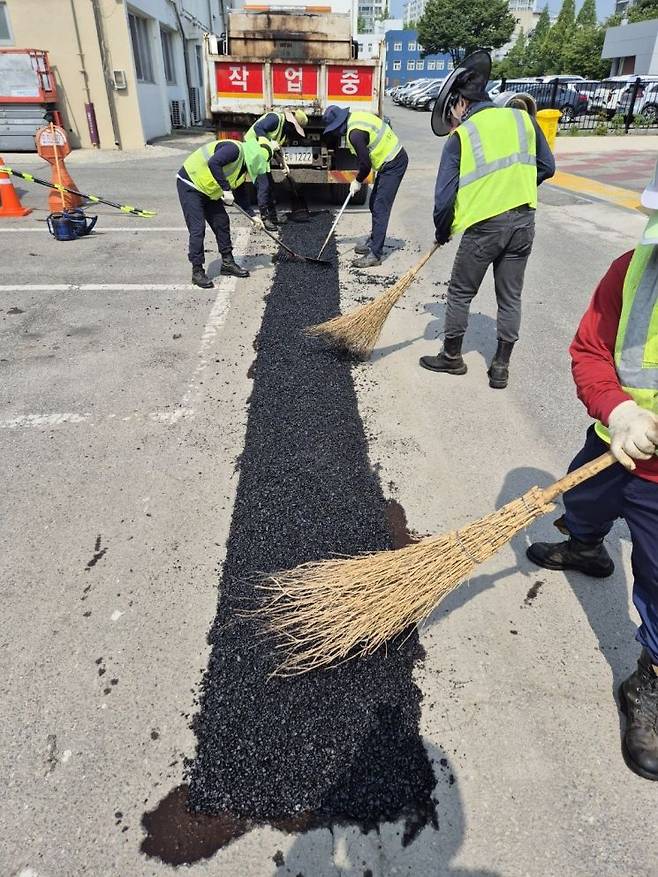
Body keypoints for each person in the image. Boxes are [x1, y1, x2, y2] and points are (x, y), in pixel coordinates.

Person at [526, 170, 658, 780]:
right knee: (581, 500)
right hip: (614, 441)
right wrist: (619, 408)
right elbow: (590, 350)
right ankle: (585, 547)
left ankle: (648, 681)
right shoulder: (633, 268)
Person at [419, 50, 555, 389]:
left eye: (451, 112)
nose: (452, 119)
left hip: (486, 228)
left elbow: (444, 199)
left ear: (459, 104)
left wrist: (443, 230)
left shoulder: (462, 136)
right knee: (510, 297)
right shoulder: (522, 119)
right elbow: (548, 167)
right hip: (524, 222)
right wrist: (514, 186)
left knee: (461, 292)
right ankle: (500, 368)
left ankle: (451, 357)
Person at [177, 137, 274, 288]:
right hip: (191, 183)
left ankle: (227, 263)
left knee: (221, 221)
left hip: (209, 190)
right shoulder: (234, 150)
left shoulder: (242, 168)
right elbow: (213, 163)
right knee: (197, 229)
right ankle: (197, 271)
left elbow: (241, 194)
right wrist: (226, 189)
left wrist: (253, 216)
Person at [322, 105, 408, 268]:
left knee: (380, 207)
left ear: (339, 126)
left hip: (394, 162)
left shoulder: (354, 134)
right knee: (374, 202)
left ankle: (375, 254)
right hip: (388, 162)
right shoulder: (356, 118)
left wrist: (357, 181)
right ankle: (374, 240)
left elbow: (366, 165)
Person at [245, 109, 308, 231]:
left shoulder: (284, 131)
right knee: (264, 186)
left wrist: (283, 164)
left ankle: (273, 216)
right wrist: (268, 142)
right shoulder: (275, 119)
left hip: (262, 155)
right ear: (291, 123)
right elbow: (258, 128)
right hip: (252, 152)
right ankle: (265, 218)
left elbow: (276, 149)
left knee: (271, 186)